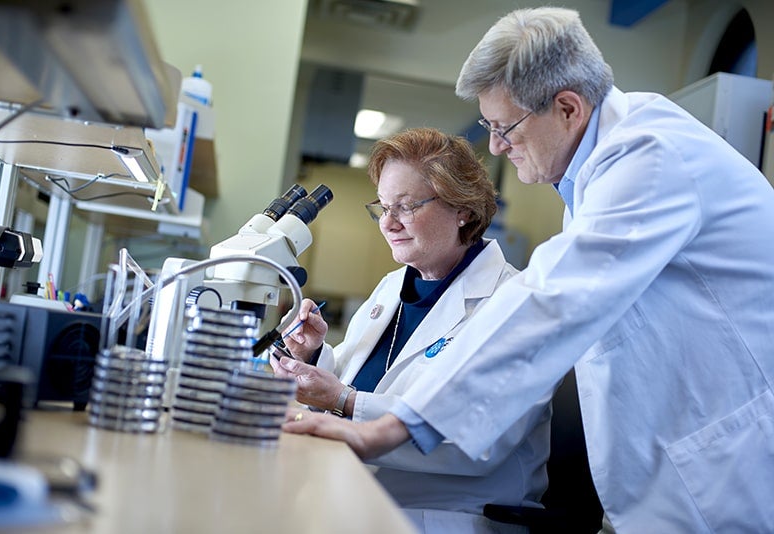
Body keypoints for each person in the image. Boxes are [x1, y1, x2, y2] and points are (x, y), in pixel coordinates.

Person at [283, 7, 774, 533]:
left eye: (504, 126)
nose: (495, 145)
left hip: (720, 473)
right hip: (665, 475)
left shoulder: (649, 156)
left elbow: (552, 299)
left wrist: (395, 422)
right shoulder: (594, 179)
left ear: (567, 107)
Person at [272, 127, 552, 533]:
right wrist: (312, 355)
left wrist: (344, 401)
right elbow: (354, 385)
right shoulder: (394, 286)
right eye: (382, 207)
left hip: (446, 520)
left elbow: (477, 440)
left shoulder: (514, 302)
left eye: (405, 206)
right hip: (357, 497)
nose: (388, 223)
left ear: (464, 210)